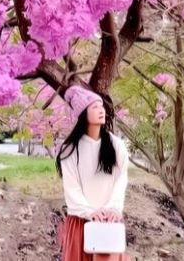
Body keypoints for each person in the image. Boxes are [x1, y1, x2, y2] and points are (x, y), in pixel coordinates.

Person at [56, 86, 130, 261]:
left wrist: (113, 208)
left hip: (109, 222)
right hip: (81, 222)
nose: (101, 111)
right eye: (95, 107)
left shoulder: (116, 145)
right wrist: (90, 212)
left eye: (102, 106)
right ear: (83, 114)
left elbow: (121, 180)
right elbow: (71, 188)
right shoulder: (70, 149)